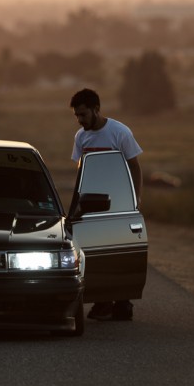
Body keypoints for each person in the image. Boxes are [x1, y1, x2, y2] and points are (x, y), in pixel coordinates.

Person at [69, 87, 142, 321]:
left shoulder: (119, 132)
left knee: (119, 253)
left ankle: (122, 303)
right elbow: (81, 172)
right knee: (94, 253)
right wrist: (74, 206)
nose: (80, 120)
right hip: (91, 204)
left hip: (118, 202)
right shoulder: (81, 137)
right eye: (77, 116)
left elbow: (134, 167)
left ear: (96, 109)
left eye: (83, 114)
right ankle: (103, 301)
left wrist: (135, 200)